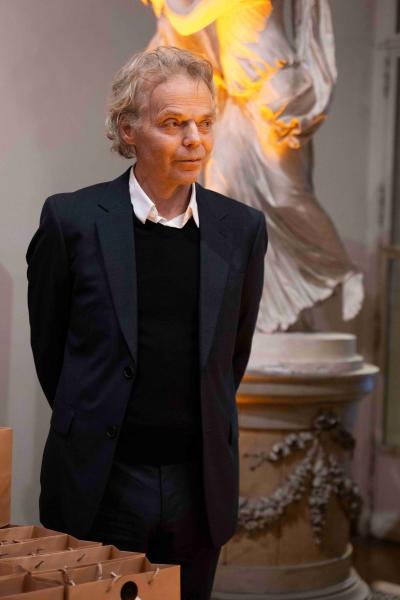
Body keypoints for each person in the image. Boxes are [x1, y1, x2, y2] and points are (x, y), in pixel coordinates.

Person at [26, 46, 267, 600]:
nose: (195, 140)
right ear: (128, 129)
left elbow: (232, 354)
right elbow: (52, 352)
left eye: (205, 123)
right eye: (174, 123)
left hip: (198, 484)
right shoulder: (71, 220)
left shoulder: (242, 228)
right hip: (102, 479)